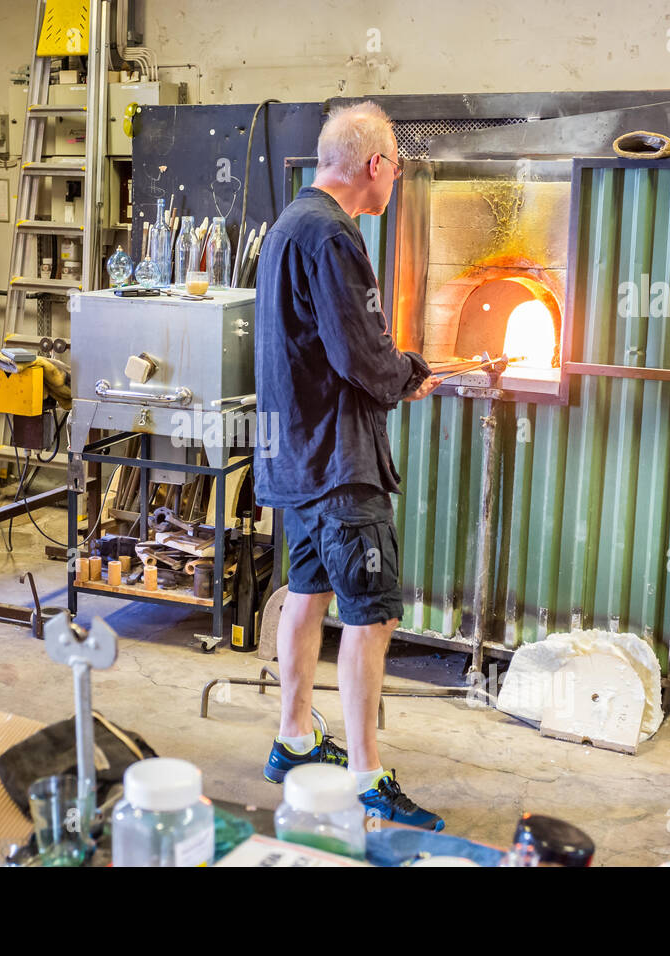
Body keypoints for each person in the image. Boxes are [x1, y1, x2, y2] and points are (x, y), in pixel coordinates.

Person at [254, 100, 446, 829]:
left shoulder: (287, 226)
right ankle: (367, 777)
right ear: (375, 166)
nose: (395, 177)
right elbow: (361, 355)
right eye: (396, 164)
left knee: (307, 593)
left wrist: (391, 369)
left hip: (293, 460)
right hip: (339, 466)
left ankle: (295, 737)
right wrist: (407, 371)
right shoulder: (336, 237)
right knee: (372, 617)